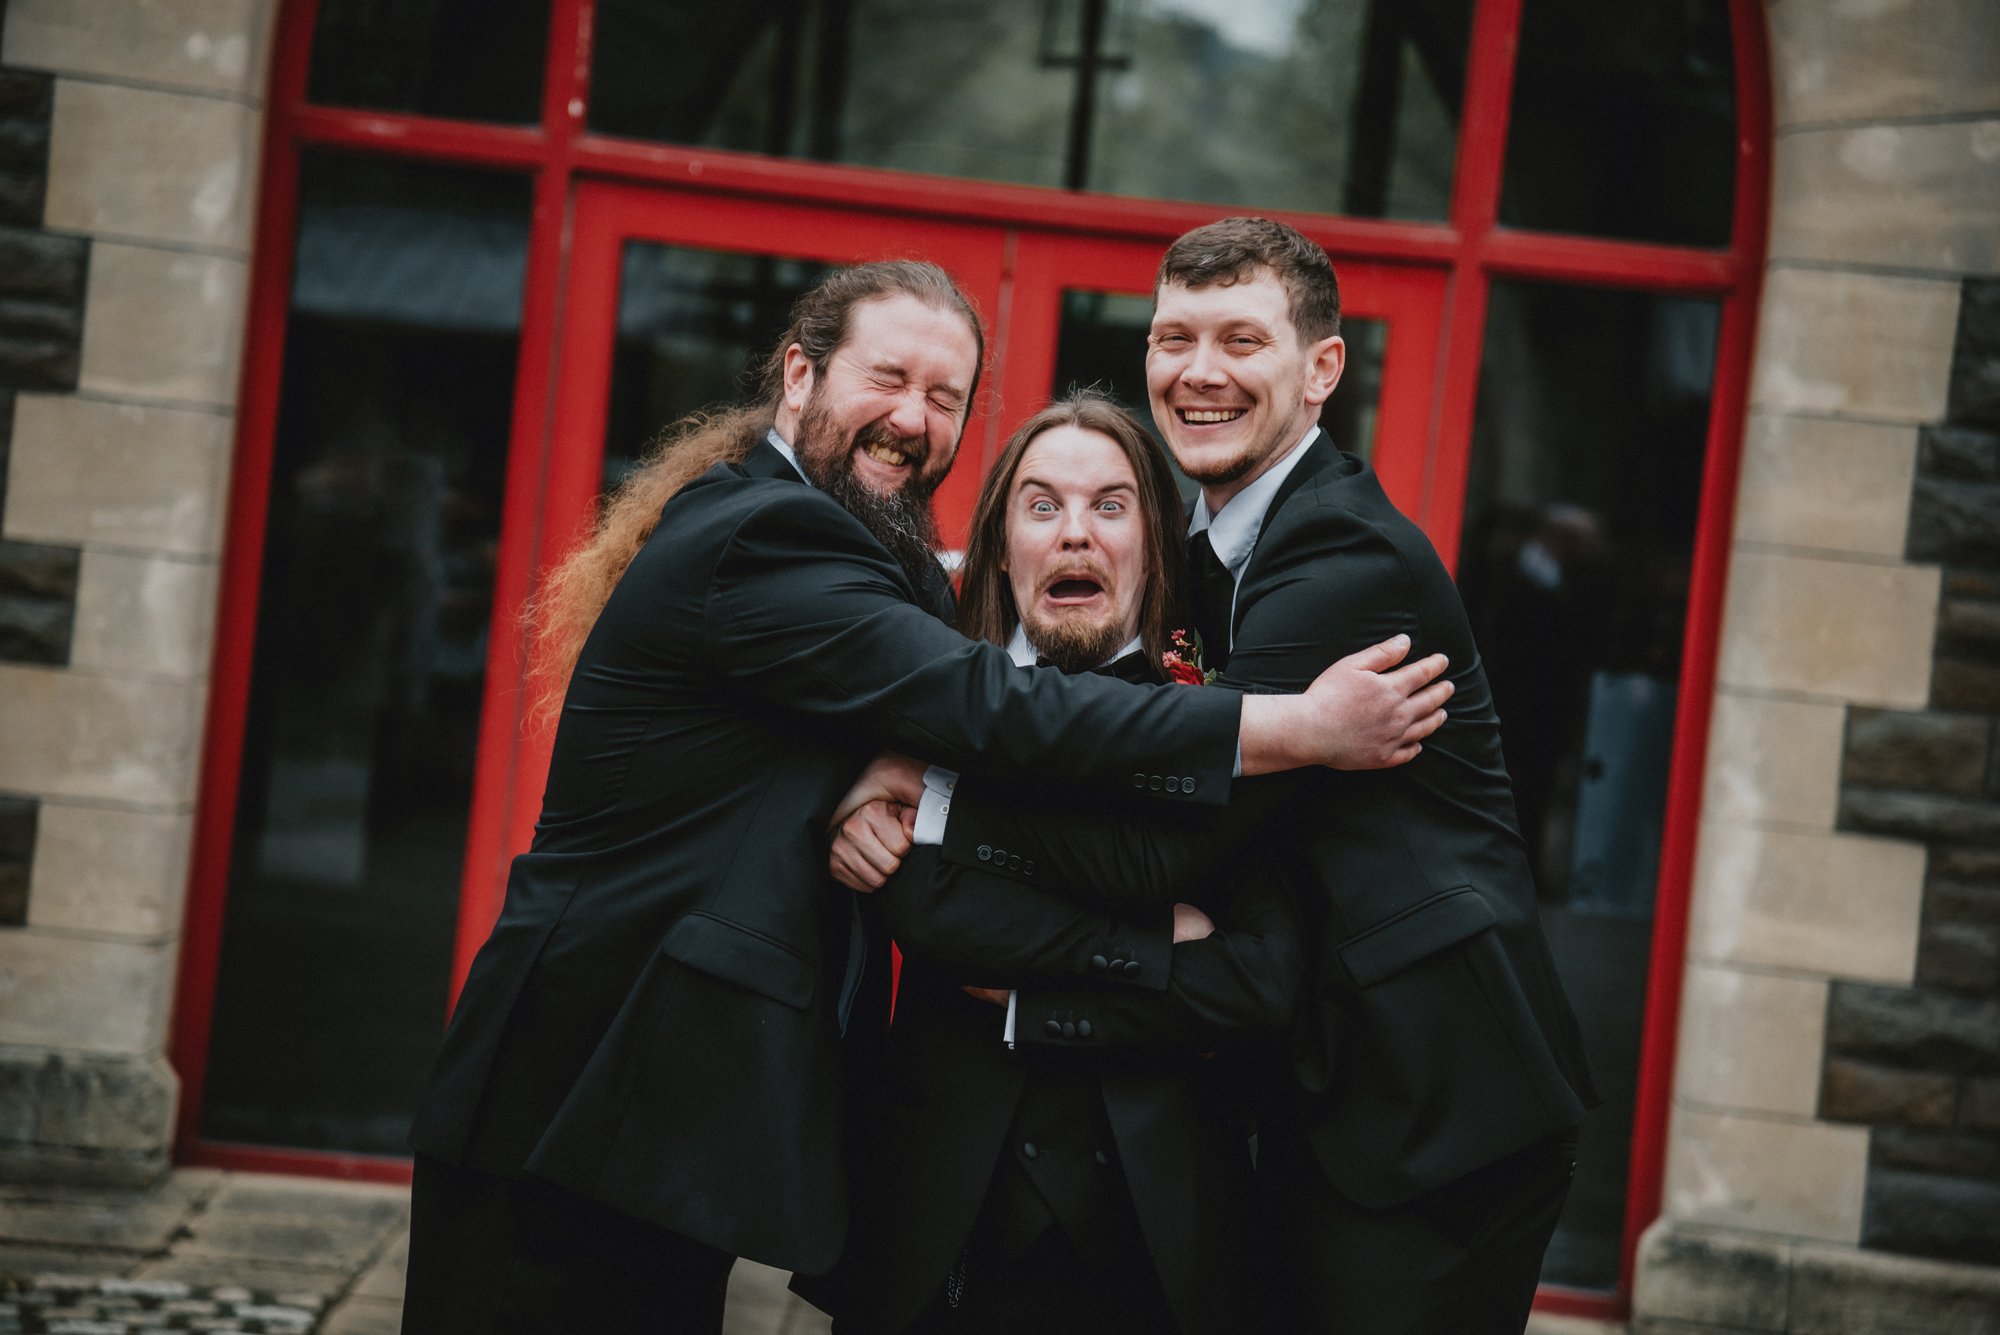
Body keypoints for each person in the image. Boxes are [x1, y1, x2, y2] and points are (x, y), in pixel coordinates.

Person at [398, 259, 1451, 1334]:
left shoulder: (845, 545)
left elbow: (949, 680)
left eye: (945, 398)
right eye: (887, 378)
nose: (912, 418)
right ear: (797, 376)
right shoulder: (765, 534)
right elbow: (983, 698)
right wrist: (1296, 728)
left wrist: (907, 771)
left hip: (656, 1124)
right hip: (577, 1099)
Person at [842, 220, 1597, 1333]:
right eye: (1172, 337)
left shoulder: (1339, 557)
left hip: (1428, 1093)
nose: (1197, 372)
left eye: (1240, 339)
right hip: (1316, 1083)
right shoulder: (1205, 551)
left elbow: (1167, 845)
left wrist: (941, 790)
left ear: (1321, 368)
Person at [819, 392, 1305, 1335]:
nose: (1075, 533)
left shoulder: (1226, 722)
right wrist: (1162, 942)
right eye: (1042, 506)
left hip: (1156, 1239)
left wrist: (1036, 996)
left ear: (1154, 545)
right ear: (1002, 546)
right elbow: (934, 918)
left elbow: (1261, 980)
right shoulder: (930, 707)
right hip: (938, 1221)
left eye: (1109, 505)